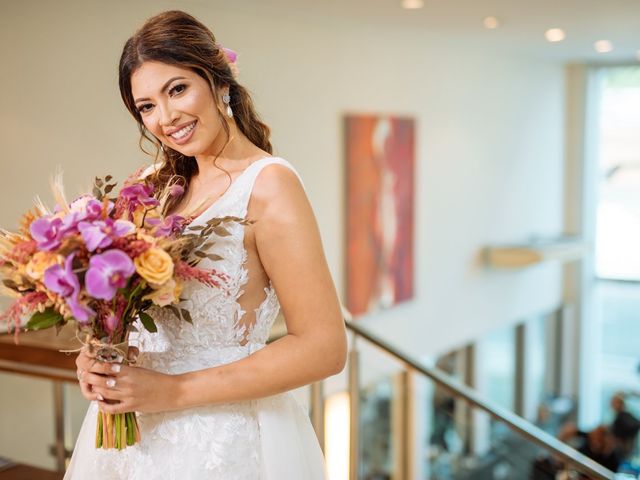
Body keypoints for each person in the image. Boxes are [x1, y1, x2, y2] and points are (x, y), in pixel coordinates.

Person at [65, 10, 347, 479]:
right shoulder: (150, 187)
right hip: (128, 439)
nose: (166, 117)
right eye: (147, 106)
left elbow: (324, 347)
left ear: (218, 80)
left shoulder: (269, 184)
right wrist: (96, 356)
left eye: (177, 89)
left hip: (222, 440)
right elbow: (122, 310)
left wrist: (171, 392)